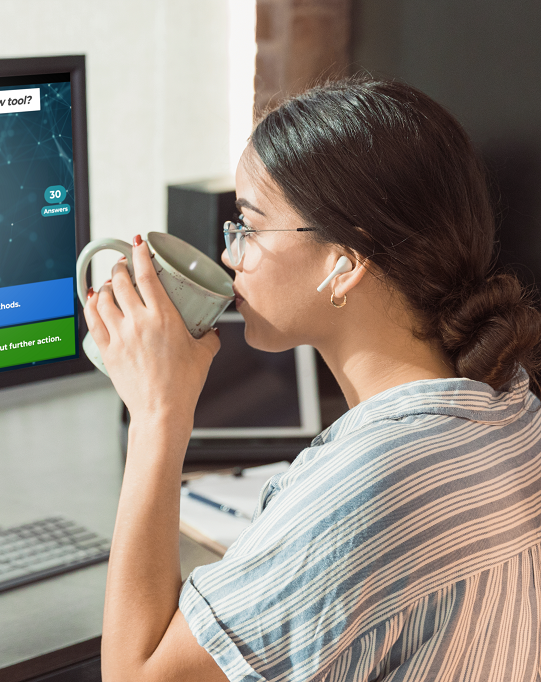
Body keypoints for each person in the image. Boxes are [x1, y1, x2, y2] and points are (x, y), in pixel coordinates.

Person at [87, 77, 541, 682]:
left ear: (345, 262)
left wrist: (156, 416)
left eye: (247, 225)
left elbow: (138, 677)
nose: (229, 255)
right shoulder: (510, 404)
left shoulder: (372, 482)